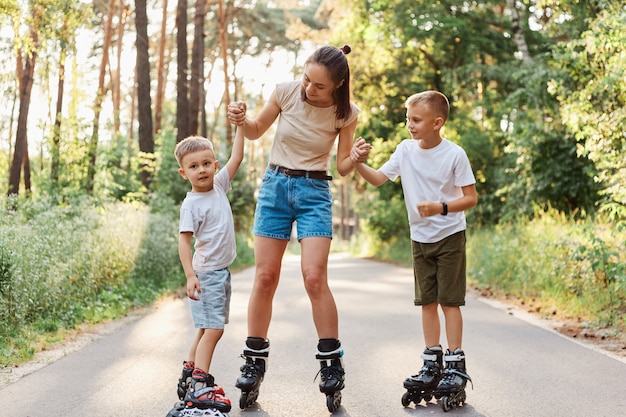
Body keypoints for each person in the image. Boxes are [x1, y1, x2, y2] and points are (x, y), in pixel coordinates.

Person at [226, 44, 360, 408]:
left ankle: (332, 363)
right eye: (306, 79)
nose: (308, 89)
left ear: (337, 85)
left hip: (315, 190)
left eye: (318, 85)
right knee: (265, 277)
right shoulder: (286, 91)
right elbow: (254, 131)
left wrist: (356, 157)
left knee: (314, 276)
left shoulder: (346, 113)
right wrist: (240, 118)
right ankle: (253, 361)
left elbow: (344, 166)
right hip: (275, 188)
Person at [350, 90, 478, 400]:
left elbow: (471, 198)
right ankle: (431, 362)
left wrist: (440, 207)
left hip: (449, 236)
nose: (409, 124)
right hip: (420, 239)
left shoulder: (454, 154)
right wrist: (357, 163)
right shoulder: (405, 150)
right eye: (408, 118)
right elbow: (379, 178)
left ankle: (455, 363)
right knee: (426, 301)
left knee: (450, 301)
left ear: (437, 122)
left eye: (416, 119)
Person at [172, 122, 245, 413]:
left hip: (219, 273)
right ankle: (200, 386)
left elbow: (237, 158)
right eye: (194, 166)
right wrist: (190, 276)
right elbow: (183, 242)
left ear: (214, 165)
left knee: (204, 329)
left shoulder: (219, 185)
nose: (201, 170)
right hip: (206, 274)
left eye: (206, 163)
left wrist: (240, 126)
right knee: (214, 330)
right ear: (183, 173)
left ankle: (190, 374)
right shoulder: (191, 204)